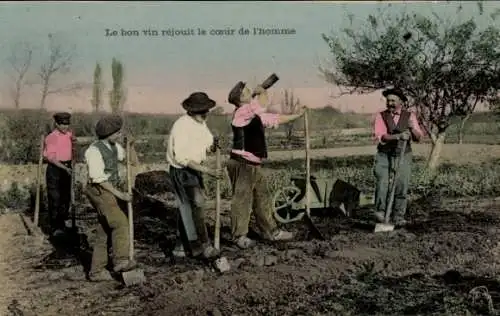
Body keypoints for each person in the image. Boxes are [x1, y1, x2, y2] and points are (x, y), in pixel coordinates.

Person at [226, 81, 306, 249]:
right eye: (247, 91)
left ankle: (270, 232)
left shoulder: (252, 115)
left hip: (253, 164)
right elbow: (261, 103)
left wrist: (297, 115)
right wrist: (262, 91)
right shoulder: (242, 112)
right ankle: (239, 236)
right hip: (241, 164)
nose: (250, 92)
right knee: (242, 201)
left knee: (263, 197)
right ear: (240, 98)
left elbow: (274, 118)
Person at [166, 92, 223, 259]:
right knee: (196, 204)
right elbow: (182, 158)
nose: (205, 114)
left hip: (194, 170)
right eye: (201, 111)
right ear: (191, 111)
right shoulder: (181, 126)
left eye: (206, 111)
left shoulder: (201, 124)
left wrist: (213, 146)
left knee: (189, 208)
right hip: (181, 171)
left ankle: (180, 247)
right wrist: (209, 171)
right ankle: (203, 245)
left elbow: (207, 145)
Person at [83, 114, 139, 282]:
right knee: (120, 223)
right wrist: (120, 194)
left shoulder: (114, 146)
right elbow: (98, 179)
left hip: (109, 188)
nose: (120, 135)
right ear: (109, 133)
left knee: (105, 230)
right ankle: (121, 261)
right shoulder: (93, 151)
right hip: (99, 190)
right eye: (117, 132)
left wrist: (131, 146)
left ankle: (97, 271)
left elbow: (133, 162)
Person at [373, 87, 424, 226]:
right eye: (388, 100)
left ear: (400, 102)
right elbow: (382, 136)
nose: (389, 103)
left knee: (402, 184)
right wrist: (398, 136)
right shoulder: (381, 116)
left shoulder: (410, 116)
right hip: (384, 154)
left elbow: (419, 138)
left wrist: (412, 128)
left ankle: (398, 216)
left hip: (403, 154)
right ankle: (380, 212)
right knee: (382, 182)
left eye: (393, 101)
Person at [43, 112, 75, 237]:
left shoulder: (70, 135)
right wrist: (64, 168)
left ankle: (62, 224)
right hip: (55, 169)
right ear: (56, 124)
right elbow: (51, 158)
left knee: (65, 198)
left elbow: (73, 149)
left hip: (67, 167)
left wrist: (70, 166)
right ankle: (55, 227)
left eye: (66, 124)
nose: (64, 127)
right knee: (55, 198)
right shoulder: (52, 137)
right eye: (61, 124)